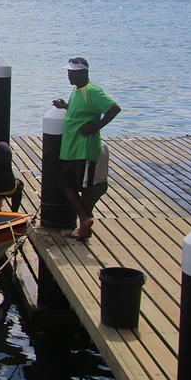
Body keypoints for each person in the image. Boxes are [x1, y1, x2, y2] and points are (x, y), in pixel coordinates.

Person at [52, 56, 121, 241]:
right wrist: (66, 106)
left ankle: (84, 224)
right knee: (65, 183)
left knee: (86, 186)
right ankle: (84, 219)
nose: (69, 76)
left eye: (72, 73)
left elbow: (114, 108)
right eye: (68, 73)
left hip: (84, 147)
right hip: (72, 147)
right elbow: (81, 112)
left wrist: (96, 126)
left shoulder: (92, 90)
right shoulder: (77, 90)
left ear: (83, 72)